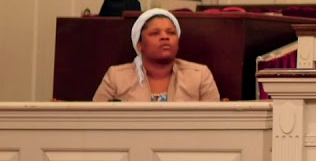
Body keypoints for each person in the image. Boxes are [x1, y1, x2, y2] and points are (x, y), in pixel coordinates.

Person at [92, 8, 222, 102]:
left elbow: (214, 125)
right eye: (155, 33)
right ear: (139, 45)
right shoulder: (116, 77)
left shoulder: (199, 75)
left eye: (171, 33)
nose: (165, 37)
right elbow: (95, 121)